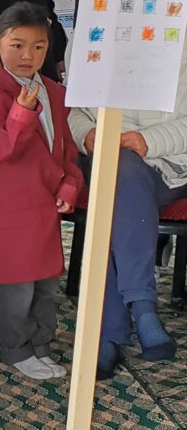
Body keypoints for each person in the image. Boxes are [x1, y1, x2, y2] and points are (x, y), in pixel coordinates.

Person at [0, 2, 83, 380]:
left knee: (46, 283)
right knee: (15, 284)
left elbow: (67, 149)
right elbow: (1, 149)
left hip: (46, 204)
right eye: (17, 45)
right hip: (8, 210)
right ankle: (16, 348)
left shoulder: (56, 93)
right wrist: (20, 111)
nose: (28, 55)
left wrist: (71, 182)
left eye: (39, 46)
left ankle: (42, 344)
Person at [69, 22, 187, 379]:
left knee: (118, 187)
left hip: (169, 164)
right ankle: (142, 308)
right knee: (118, 180)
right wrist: (85, 134)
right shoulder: (89, 29)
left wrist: (149, 140)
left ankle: (110, 333)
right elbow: (72, 108)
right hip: (106, 162)